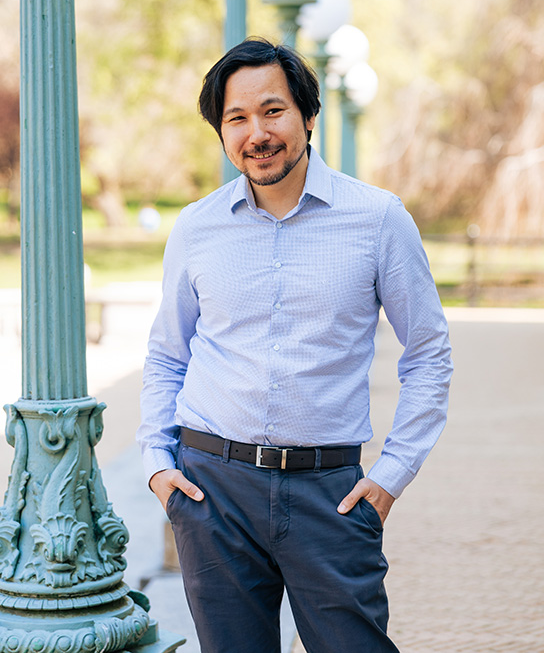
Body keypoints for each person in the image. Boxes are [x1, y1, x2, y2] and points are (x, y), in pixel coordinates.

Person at [137, 38, 452, 652]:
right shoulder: (197, 227)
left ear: (308, 116)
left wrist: (390, 476)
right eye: (237, 118)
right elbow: (168, 352)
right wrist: (157, 464)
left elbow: (429, 354)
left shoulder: (379, 219)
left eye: (273, 110)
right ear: (222, 132)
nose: (257, 132)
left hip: (328, 497)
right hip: (212, 494)